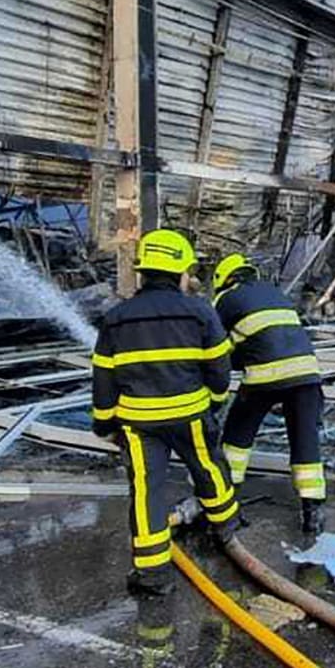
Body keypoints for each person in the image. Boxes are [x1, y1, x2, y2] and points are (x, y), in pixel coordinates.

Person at [92, 229, 241, 596]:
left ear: (144, 273)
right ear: (178, 273)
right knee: (208, 469)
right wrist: (216, 402)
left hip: (139, 425)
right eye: (188, 272)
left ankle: (153, 573)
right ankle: (226, 530)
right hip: (190, 415)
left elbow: (104, 380)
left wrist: (104, 424)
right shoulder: (199, 312)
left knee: (146, 491)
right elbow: (220, 368)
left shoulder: (116, 318)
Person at [211, 252, 327, 533]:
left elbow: (214, 348)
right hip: (307, 375)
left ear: (223, 280)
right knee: (305, 439)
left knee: (238, 435)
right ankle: (313, 514)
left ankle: (227, 500)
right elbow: (266, 337)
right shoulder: (275, 293)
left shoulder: (225, 300)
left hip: (265, 375)